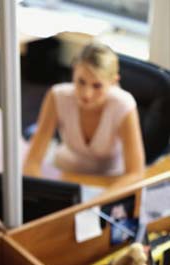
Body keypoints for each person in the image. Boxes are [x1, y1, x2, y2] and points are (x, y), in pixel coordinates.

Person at [23, 42, 145, 188]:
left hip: (109, 181)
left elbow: (135, 173)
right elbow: (32, 161)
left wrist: (100, 198)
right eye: (81, 82)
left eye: (97, 86)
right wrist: (41, 192)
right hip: (65, 173)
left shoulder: (124, 105)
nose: (86, 94)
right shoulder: (57, 96)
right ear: (73, 72)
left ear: (113, 82)